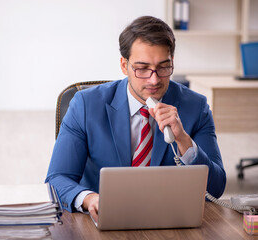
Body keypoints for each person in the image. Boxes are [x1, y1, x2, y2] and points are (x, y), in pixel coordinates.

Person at [45, 16, 226, 222]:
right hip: (103, 220)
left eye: (163, 67)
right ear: (124, 65)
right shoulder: (85, 105)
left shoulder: (196, 107)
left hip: (169, 220)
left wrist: (183, 140)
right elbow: (56, 179)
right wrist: (89, 199)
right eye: (142, 68)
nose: (154, 79)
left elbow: (216, 189)